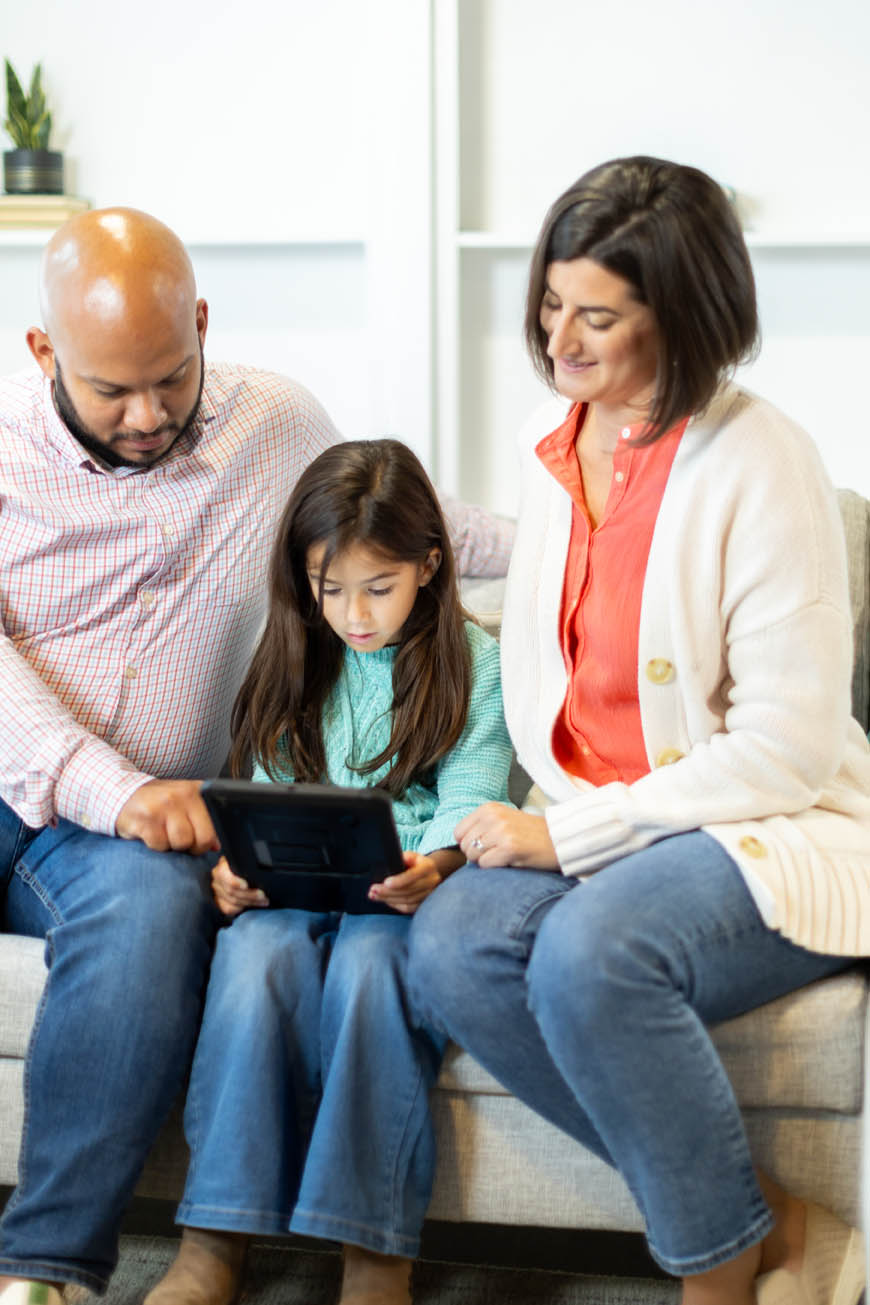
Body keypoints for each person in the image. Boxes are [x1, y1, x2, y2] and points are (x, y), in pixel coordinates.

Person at [0, 209, 514, 1305]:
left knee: (156, 913)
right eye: (110, 392)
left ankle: (39, 1275)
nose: (147, 416)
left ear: (200, 325)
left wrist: (599, 544)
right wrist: (116, 787)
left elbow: (400, 523)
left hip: (128, 837)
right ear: (44, 354)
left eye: (171, 379)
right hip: (62, 783)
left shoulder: (272, 425)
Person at [407, 156, 870, 1305]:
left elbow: (786, 750)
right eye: (552, 305)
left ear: (686, 315)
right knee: (454, 945)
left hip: (771, 824)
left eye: (598, 316)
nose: (559, 340)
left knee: (590, 955)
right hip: (605, 822)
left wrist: (572, 841)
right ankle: (763, 1218)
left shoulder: (764, 463)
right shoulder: (553, 446)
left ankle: (710, 1280)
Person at [142, 438, 513, 1305]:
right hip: (293, 889)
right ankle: (215, 1237)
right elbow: (264, 791)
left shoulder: (476, 662)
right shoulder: (295, 652)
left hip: (404, 894)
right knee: (254, 960)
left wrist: (442, 860)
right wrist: (235, 871)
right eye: (328, 586)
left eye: (377, 588)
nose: (352, 612)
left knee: (372, 969)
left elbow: (472, 793)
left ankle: (372, 1250)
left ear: (428, 563)